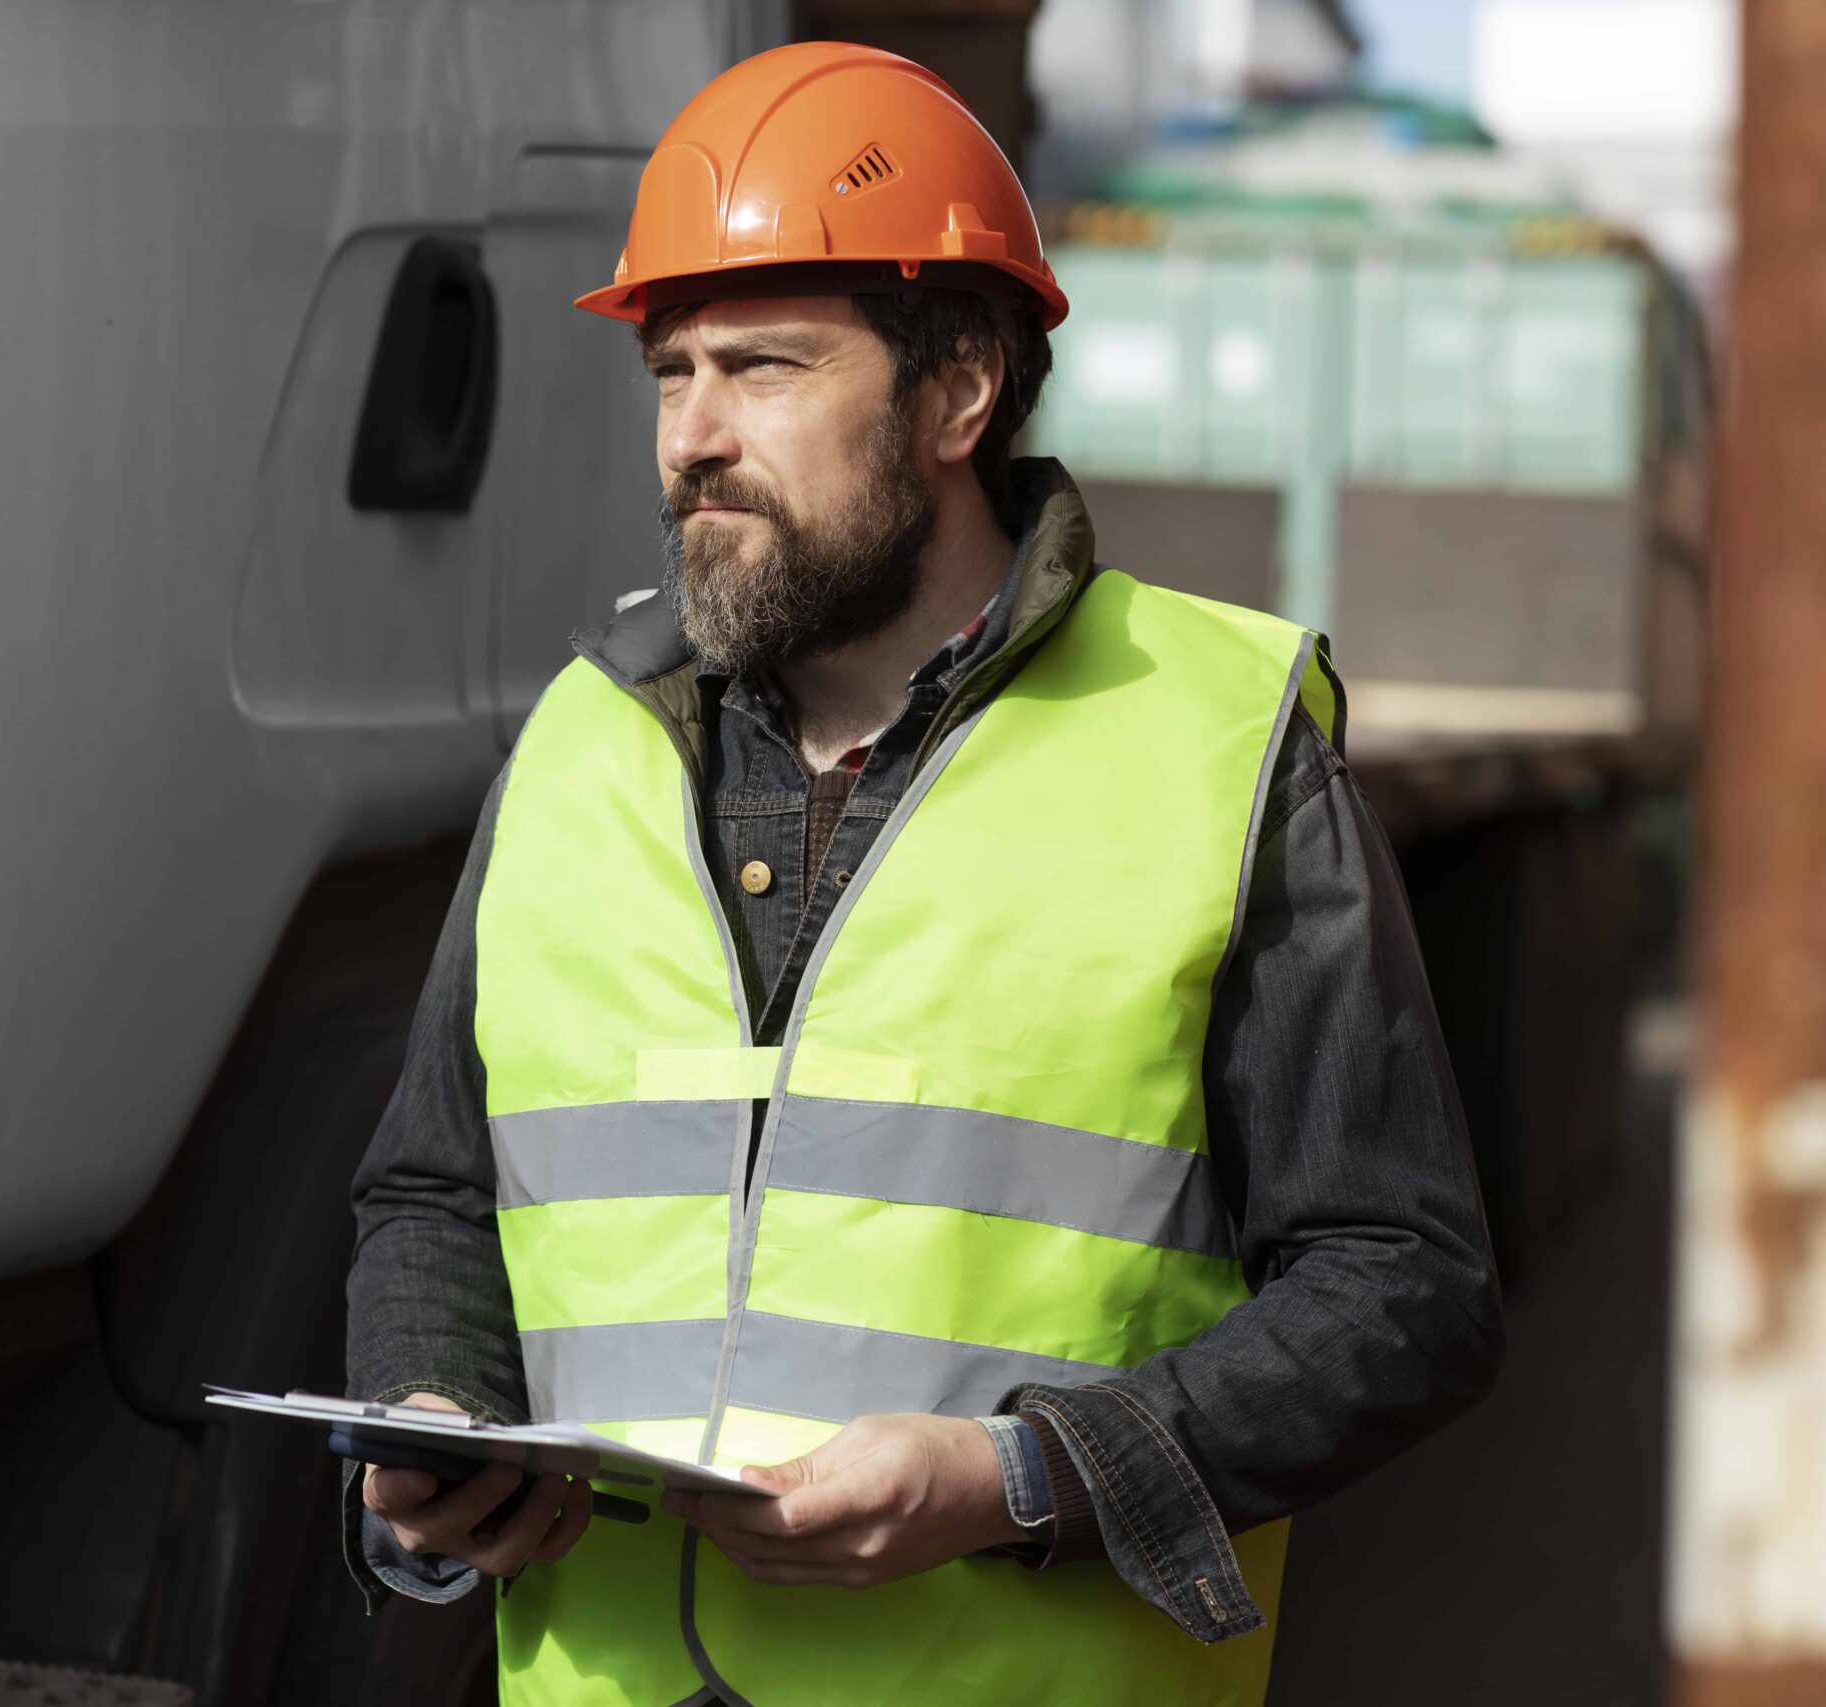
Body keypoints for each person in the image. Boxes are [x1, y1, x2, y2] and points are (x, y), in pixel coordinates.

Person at [341, 40, 1501, 1707]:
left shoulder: (1219, 743)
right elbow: (437, 1192)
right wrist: (435, 1428)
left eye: (764, 367)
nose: (694, 438)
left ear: (956, 392)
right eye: (672, 373)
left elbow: (1405, 1284)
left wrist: (1018, 1480)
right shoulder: (578, 745)